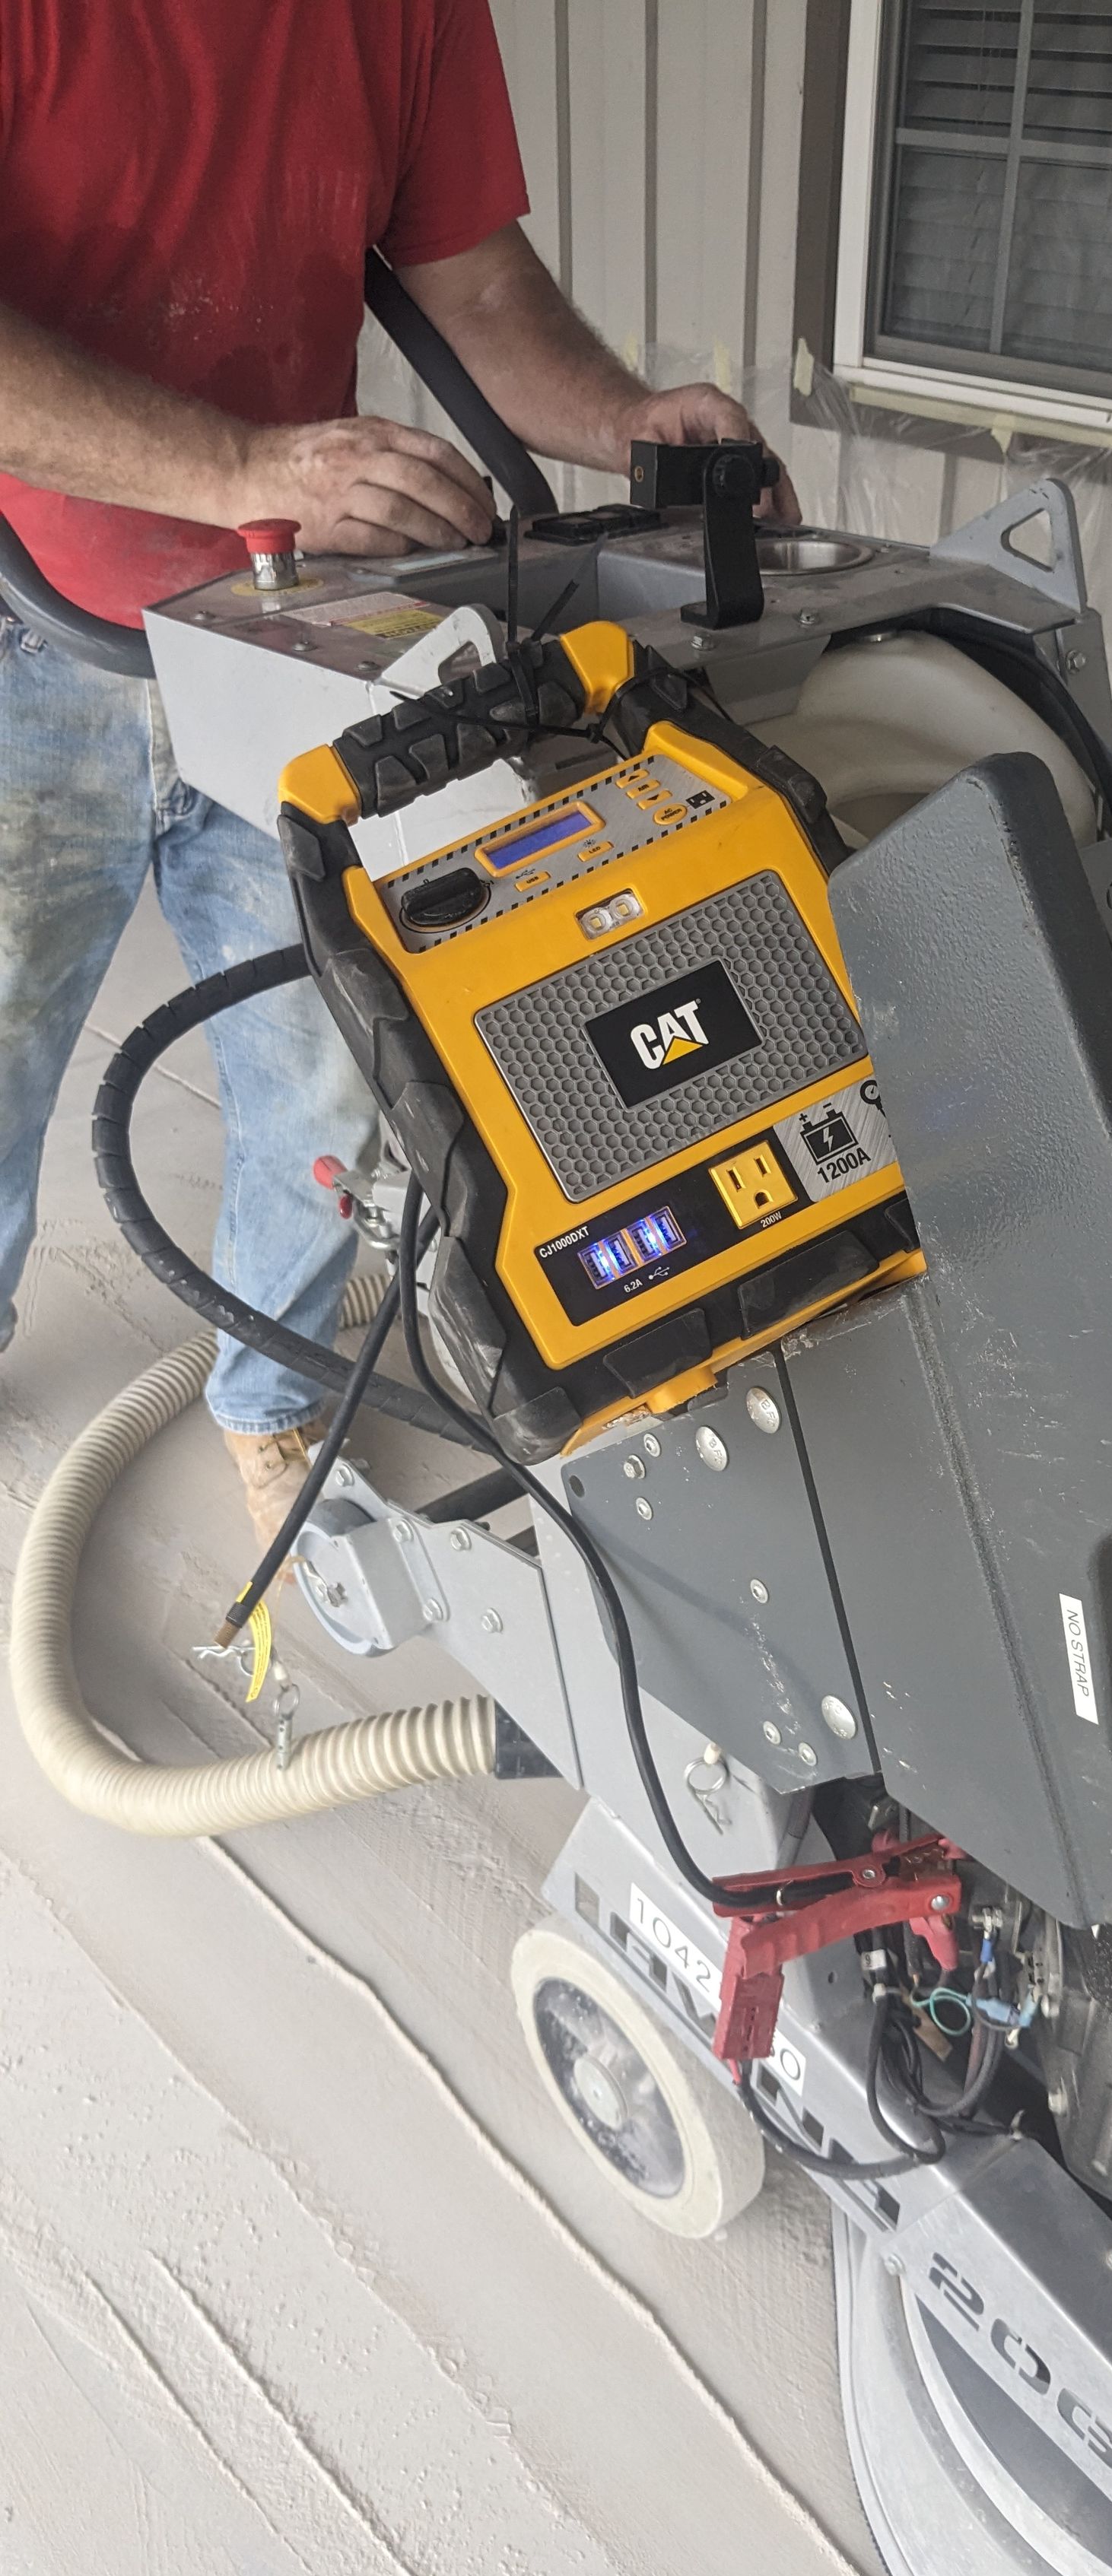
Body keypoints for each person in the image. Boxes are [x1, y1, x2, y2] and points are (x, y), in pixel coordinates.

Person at [0, 0, 797, 1545]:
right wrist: (241, 468)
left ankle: (268, 1398)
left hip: (285, 626)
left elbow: (477, 282)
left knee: (330, 1061)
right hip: (31, 631)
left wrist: (628, 420)